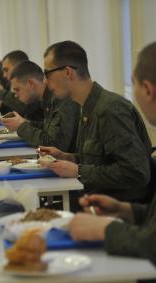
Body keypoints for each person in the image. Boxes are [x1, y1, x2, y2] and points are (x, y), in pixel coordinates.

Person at [68, 41, 156, 265]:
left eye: (133, 83)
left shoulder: (110, 109)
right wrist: (124, 210)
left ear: (147, 89)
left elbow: (151, 243)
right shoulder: (86, 107)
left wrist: (106, 229)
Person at [40, 40, 152, 205]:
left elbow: (135, 173)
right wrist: (70, 158)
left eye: (47, 74)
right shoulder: (87, 106)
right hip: (94, 198)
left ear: (68, 72)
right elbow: (103, 161)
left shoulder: (110, 109)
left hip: (117, 209)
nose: (45, 82)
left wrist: (78, 171)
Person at [1, 60, 80, 152]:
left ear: (31, 83)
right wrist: (25, 123)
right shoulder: (48, 99)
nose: (15, 95)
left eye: (17, 90)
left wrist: (21, 127)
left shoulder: (59, 97)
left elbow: (53, 144)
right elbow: (50, 129)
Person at [0, 50, 43, 120]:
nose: (4, 75)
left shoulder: (30, 81)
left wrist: (0, 92)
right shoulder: (10, 83)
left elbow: (24, 107)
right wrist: (2, 107)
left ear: (18, 66)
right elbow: (17, 106)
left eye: (6, 70)